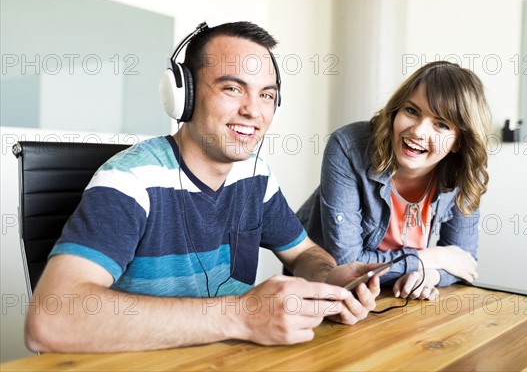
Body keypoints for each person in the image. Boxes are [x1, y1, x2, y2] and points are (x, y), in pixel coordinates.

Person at [25, 21, 382, 353]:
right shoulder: (130, 181)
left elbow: (304, 254)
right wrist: (241, 315)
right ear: (185, 95)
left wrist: (330, 280)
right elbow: (51, 319)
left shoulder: (255, 177)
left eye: (266, 96)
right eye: (232, 88)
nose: (253, 111)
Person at [297, 61, 492, 301]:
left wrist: (431, 275)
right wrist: (430, 258)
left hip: (396, 295)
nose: (418, 132)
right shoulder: (348, 146)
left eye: (441, 124)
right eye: (412, 111)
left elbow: (465, 261)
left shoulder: (466, 173)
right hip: (325, 293)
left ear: (459, 142)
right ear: (396, 110)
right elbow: (347, 265)